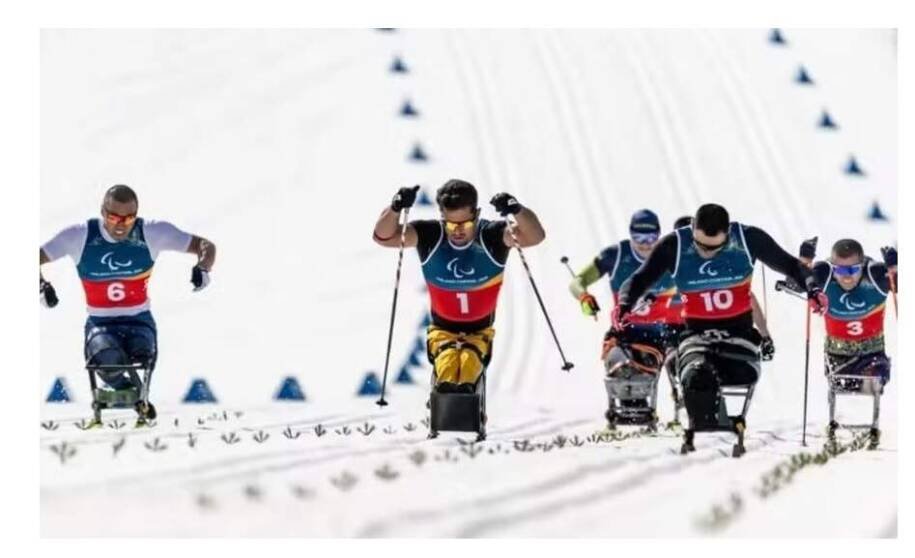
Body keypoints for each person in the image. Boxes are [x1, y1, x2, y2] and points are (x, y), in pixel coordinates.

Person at [617, 203, 823, 442]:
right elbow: (639, 279)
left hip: (740, 335)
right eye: (701, 246)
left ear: (728, 232)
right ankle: (703, 421)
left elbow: (792, 266)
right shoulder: (674, 245)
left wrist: (813, 289)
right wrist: (624, 305)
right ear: (692, 228)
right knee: (695, 376)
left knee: (740, 377)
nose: (708, 253)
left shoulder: (748, 238)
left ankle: (723, 419)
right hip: (696, 336)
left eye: (717, 247)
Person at [40, 184, 216, 422]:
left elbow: (206, 246)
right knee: (107, 358)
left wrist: (203, 268)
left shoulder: (153, 232)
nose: (121, 224)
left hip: (139, 320)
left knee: (142, 355)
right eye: (113, 217)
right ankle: (132, 395)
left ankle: (136, 393)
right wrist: (42, 286)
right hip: (101, 323)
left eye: (129, 217)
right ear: (102, 212)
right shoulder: (79, 236)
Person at [373, 179, 545, 393]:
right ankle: (444, 403)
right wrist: (395, 208)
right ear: (442, 217)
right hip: (442, 329)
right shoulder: (430, 234)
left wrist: (517, 210)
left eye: (465, 224)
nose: (458, 231)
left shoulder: (492, 235)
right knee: (447, 364)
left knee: (468, 363)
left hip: (479, 331)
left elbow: (535, 236)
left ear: (477, 214)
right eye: (451, 224)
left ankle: (464, 403)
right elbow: (383, 237)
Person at [568, 209, 680, 420]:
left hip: (662, 331)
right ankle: (630, 410)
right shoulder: (616, 255)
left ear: (658, 235)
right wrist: (584, 297)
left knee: (676, 364)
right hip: (625, 332)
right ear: (630, 234)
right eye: (638, 237)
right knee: (619, 366)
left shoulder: (669, 255)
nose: (645, 243)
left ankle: (681, 411)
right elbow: (577, 281)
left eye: (651, 238)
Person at [806, 240, 896, 441]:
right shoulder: (824, 275)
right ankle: (833, 420)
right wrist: (805, 260)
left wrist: (895, 267)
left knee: (874, 382)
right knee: (840, 386)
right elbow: (795, 280)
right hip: (837, 357)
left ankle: (873, 420)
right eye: (840, 269)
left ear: (862, 265)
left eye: (853, 270)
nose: (846, 277)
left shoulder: (875, 276)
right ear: (832, 265)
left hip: (872, 355)